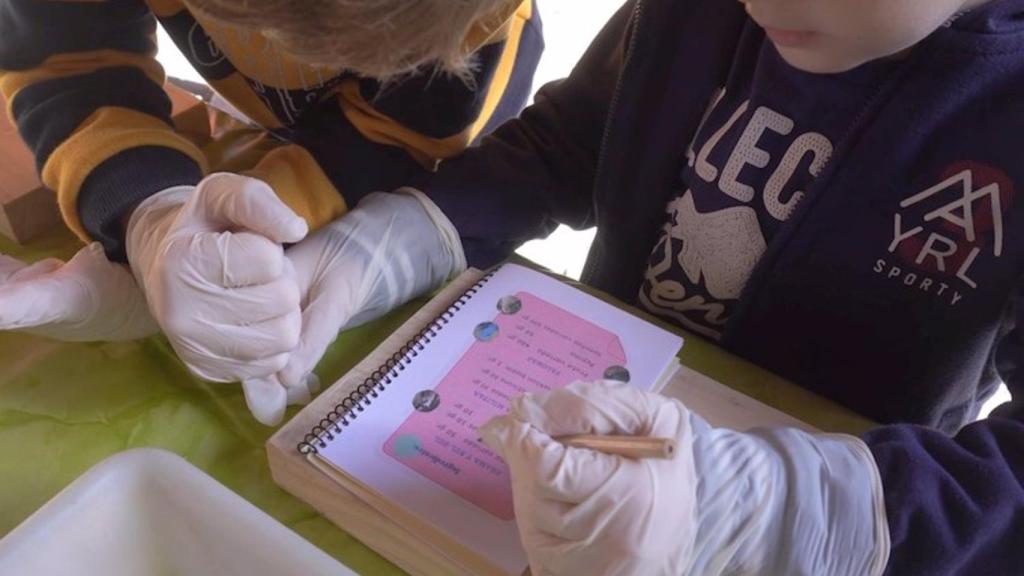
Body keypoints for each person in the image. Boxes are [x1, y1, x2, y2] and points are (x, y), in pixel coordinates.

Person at [4, 0, 1024, 572]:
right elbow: (566, 142)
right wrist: (399, 236)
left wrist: (786, 515)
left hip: (871, 507)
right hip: (591, 416)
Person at [0, 0, 542, 389]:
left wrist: (242, 232)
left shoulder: (472, 18)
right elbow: (70, 62)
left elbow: (392, 138)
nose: (277, 48)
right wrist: (144, 208)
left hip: (445, 128)